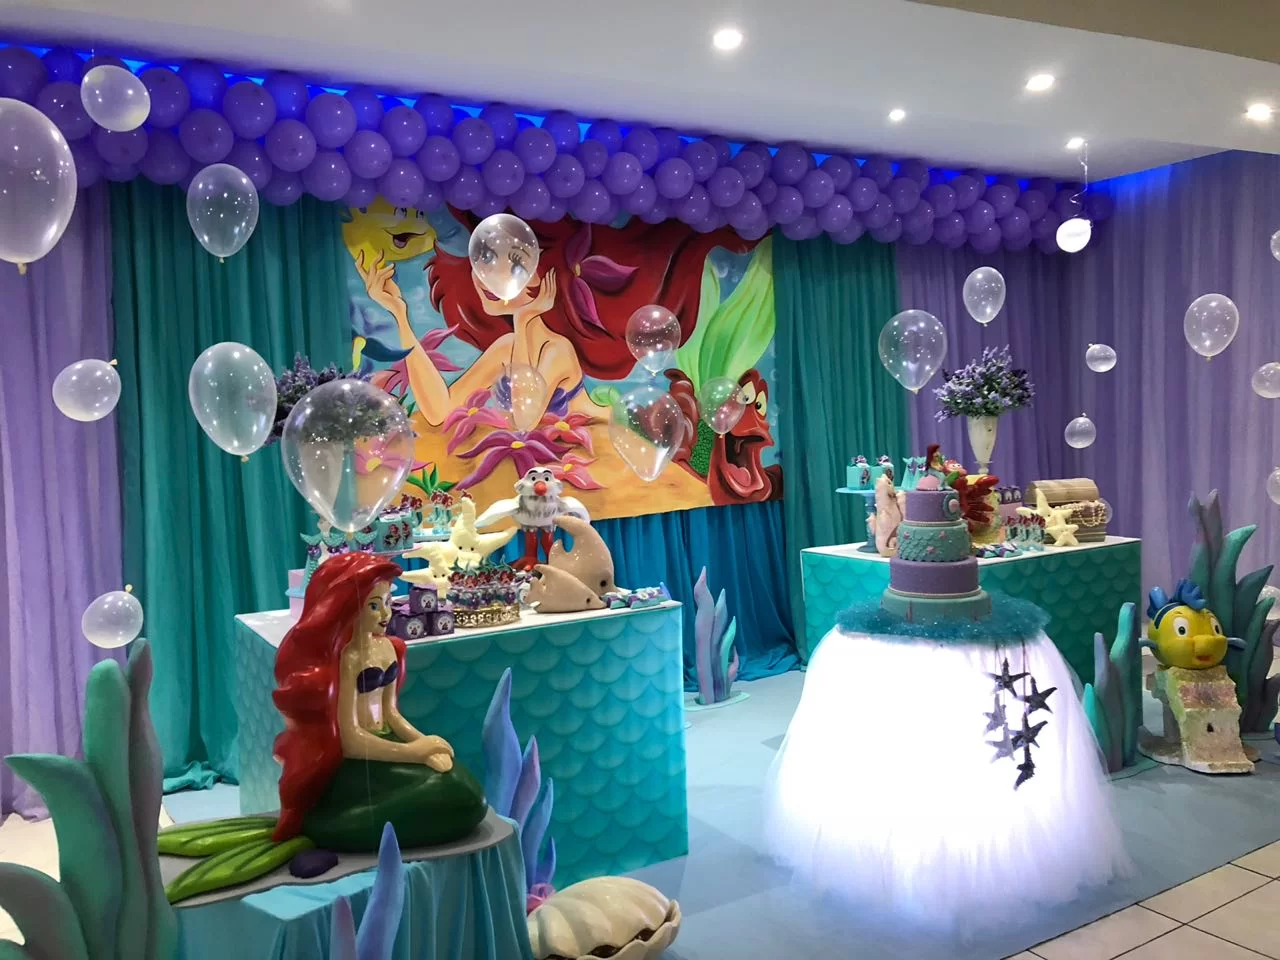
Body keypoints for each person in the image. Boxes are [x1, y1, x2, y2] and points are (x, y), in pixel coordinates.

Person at [272, 551, 485, 851]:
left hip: (386, 742)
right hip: (359, 758)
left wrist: (424, 743)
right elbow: (351, 740)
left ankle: (361, 825)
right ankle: (329, 827)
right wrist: (413, 753)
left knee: (460, 782)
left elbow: (391, 713)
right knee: (453, 792)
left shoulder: (390, 648)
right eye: (374, 605)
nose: (385, 614)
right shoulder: (347, 660)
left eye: (387, 602)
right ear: (347, 608)